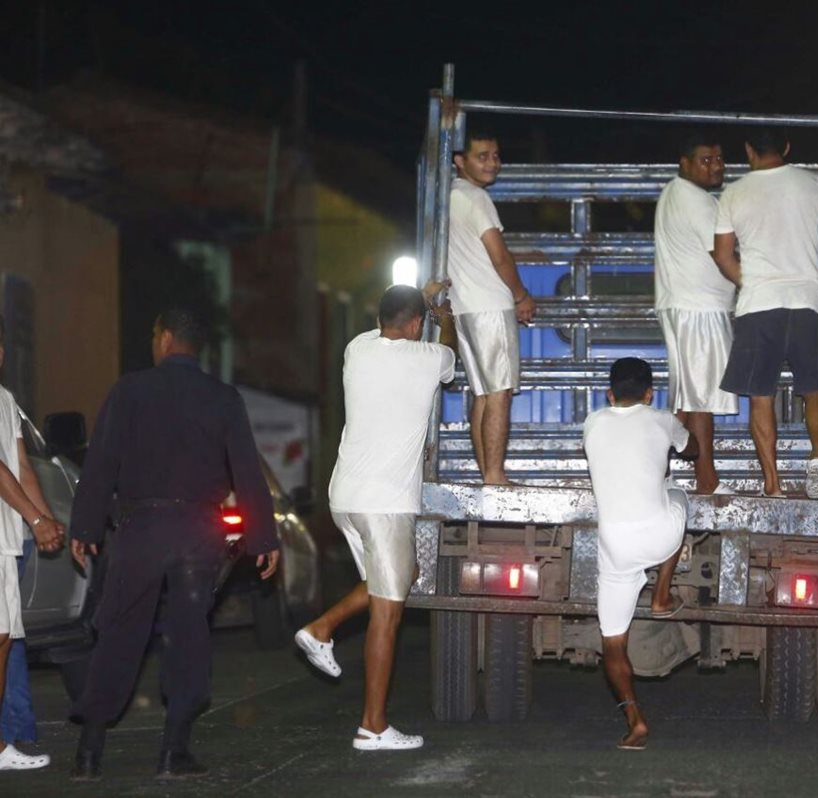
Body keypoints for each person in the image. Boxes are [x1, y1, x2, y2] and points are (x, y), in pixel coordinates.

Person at [68, 307, 281, 781]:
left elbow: (101, 464)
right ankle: (173, 752)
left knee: (119, 633)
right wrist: (264, 537)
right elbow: (247, 469)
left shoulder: (129, 390)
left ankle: (89, 752)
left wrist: (82, 528)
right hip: (196, 532)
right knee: (188, 636)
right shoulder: (222, 398)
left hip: (141, 527)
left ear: (164, 339)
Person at [293, 281, 455, 752]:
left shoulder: (357, 349)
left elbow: (389, 326)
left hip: (344, 497)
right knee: (388, 615)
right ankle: (373, 726)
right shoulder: (427, 358)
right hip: (385, 504)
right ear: (416, 324)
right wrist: (445, 320)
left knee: (405, 575)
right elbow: (450, 356)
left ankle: (321, 628)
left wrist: (418, 305)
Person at [712, 128, 818, 499]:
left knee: (760, 395)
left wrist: (751, 280)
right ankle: (817, 459)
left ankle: (773, 484)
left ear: (749, 149)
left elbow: (723, 255)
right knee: (815, 388)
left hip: (759, 304)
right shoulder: (815, 184)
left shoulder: (734, 192)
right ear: (786, 148)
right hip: (808, 300)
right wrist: (803, 269)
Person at [582, 358, 697, 750]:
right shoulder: (661, 418)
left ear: (609, 394)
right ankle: (662, 593)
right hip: (660, 538)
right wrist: (680, 425)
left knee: (613, 643)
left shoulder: (593, 422)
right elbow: (693, 451)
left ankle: (635, 722)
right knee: (677, 494)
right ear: (650, 393)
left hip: (615, 548)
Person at [448, 129, 536, 485]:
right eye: (482, 156)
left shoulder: (451, 196)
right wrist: (520, 295)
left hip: (464, 309)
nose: (492, 163)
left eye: (496, 155)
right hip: (490, 306)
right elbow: (499, 256)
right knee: (499, 393)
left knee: (484, 394)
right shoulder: (476, 198)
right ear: (460, 161)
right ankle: (496, 474)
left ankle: (489, 474)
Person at [654, 132, 739, 495]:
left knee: (693, 399)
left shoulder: (677, 193)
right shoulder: (697, 201)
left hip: (692, 307)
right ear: (684, 163)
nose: (715, 166)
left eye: (719, 159)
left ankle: (666, 471)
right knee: (697, 399)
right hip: (697, 310)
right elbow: (724, 256)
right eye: (706, 160)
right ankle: (702, 479)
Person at [0, 316, 65, 772]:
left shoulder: (5, 400)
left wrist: (50, 522)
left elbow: (21, 465)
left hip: (6, 539)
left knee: (3, 638)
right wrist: (36, 516)